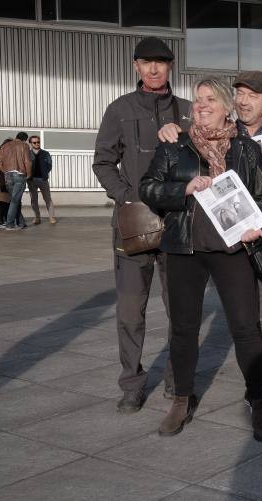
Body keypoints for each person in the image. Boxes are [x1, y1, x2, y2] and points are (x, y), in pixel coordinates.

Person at [139, 77, 262, 442]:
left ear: (226, 106)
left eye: (210, 99)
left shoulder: (246, 149)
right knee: (183, 328)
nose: (201, 105)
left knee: (246, 328)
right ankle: (182, 398)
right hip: (185, 249)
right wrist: (182, 188)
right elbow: (147, 187)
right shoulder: (175, 145)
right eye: (198, 99)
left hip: (233, 250)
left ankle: (258, 399)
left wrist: (255, 225)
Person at [158, 70, 262, 397]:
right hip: (219, 243)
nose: (245, 101)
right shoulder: (206, 136)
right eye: (240, 94)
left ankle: (261, 382)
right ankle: (182, 387)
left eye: (254, 95)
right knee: (236, 321)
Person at [93, 37, 190, 412]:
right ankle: (132, 384)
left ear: (170, 66)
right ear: (135, 66)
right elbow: (102, 162)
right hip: (133, 226)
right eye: (146, 62)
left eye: (160, 62)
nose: (153, 69)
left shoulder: (186, 111)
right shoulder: (119, 109)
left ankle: (176, 379)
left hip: (177, 225)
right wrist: (126, 197)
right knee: (131, 311)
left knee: (179, 309)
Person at [0, 132, 31, 231]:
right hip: (19, 174)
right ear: (24, 139)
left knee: (15, 200)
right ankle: (9, 224)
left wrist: (6, 172)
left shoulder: (5, 146)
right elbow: (27, 161)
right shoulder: (24, 145)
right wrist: (28, 174)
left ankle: (21, 222)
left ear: (16, 137)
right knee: (15, 200)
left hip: (8, 175)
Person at [27, 135, 57, 225]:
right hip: (31, 180)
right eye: (34, 142)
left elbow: (49, 165)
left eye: (38, 142)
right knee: (33, 199)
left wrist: (44, 173)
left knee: (48, 199)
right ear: (31, 143)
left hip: (43, 180)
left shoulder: (45, 153)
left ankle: (51, 217)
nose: (37, 144)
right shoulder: (27, 154)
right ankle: (37, 217)